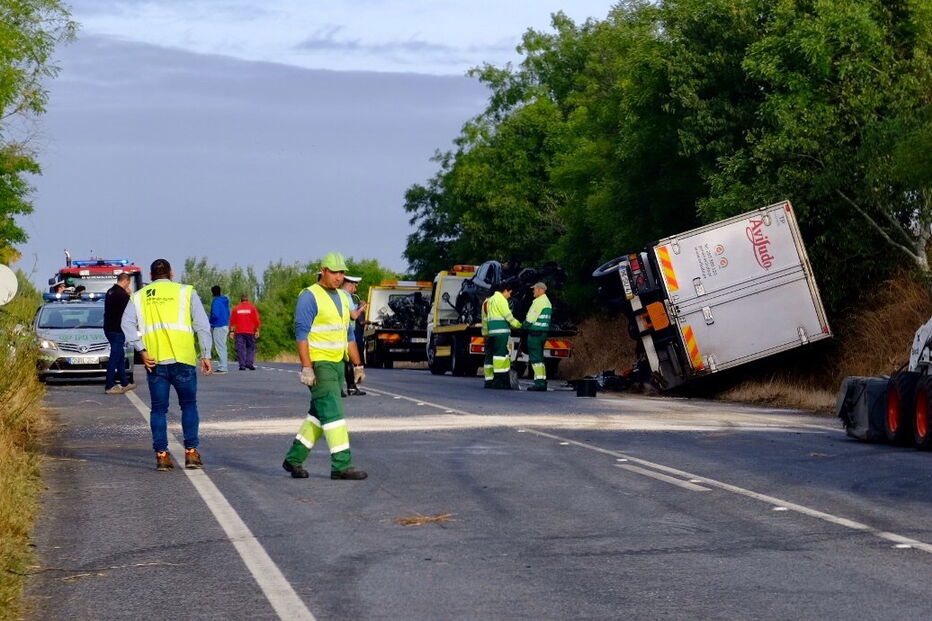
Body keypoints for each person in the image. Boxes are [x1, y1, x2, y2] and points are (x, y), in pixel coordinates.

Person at [282, 252, 367, 480]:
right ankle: (341, 465)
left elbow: (348, 335)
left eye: (342, 272)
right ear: (323, 270)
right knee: (334, 413)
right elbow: (301, 334)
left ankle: (294, 459)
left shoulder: (342, 298)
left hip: (338, 363)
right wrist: (306, 366)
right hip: (320, 364)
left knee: (319, 414)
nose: (339, 277)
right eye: (334, 271)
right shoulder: (309, 296)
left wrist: (357, 364)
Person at [122, 258, 212, 472]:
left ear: (151, 276)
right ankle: (191, 452)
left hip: (155, 361)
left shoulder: (139, 296)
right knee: (189, 405)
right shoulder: (186, 292)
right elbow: (202, 325)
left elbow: (126, 324)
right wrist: (206, 354)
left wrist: (141, 351)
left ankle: (162, 455)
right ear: (171, 273)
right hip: (183, 359)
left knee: (159, 410)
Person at [485, 282, 522, 389]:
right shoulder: (501, 299)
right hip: (501, 332)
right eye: (509, 293)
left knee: (492, 356)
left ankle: (490, 380)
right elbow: (508, 316)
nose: (510, 296)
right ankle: (500, 381)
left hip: (492, 332)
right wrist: (519, 325)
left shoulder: (490, 300)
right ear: (505, 290)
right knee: (500, 356)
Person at [103, 273, 136, 394]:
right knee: (115, 357)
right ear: (126, 281)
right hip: (118, 329)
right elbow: (131, 310)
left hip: (108, 328)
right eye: (129, 282)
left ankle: (125, 382)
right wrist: (130, 295)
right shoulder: (122, 295)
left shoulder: (110, 292)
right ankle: (109, 385)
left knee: (120, 356)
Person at [523, 282, 553, 391]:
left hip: (535, 333)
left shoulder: (538, 302)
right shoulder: (547, 302)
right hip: (542, 333)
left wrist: (523, 326)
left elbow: (531, 319)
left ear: (540, 290)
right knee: (540, 358)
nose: (533, 291)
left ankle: (539, 383)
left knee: (535, 358)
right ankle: (542, 381)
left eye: (534, 289)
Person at [341, 275, 367, 396]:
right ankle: (351, 387)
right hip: (347, 331)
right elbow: (354, 316)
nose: (355, 290)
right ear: (350, 285)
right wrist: (361, 308)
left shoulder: (337, 294)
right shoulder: (347, 297)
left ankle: (344, 387)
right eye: (354, 287)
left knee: (343, 361)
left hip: (339, 331)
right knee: (348, 361)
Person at [229, 294, 261, 370]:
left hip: (239, 331)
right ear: (247, 300)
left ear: (241, 300)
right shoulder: (252, 308)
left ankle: (242, 365)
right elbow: (256, 321)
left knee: (240, 348)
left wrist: (231, 332)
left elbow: (232, 321)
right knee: (250, 347)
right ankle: (249, 363)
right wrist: (257, 330)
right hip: (250, 331)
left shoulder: (236, 309)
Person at [209, 285, 231, 374]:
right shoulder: (225, 301)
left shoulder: (216, 301)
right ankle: (223, 365)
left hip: (218, 326)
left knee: (219, 347)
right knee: (223, 346)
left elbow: (215, 314)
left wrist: (210, 321)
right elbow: (228, 313)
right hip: (225, 325)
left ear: (212, 292)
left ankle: (222, 367)